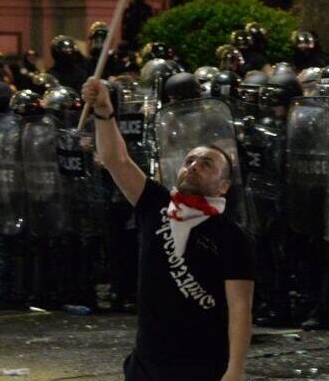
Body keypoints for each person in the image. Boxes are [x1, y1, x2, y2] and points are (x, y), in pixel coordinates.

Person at [84, 76, 254, 381]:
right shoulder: (156, 203)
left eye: (206, 164)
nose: (193, 166)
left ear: (224, 185)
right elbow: (116, 160)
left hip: (201, 368)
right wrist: (104, 112)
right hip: (147, 365)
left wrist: (235, 369)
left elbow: (240, 308)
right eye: (190, 160)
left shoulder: (231, 236)